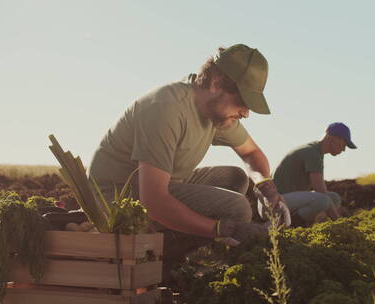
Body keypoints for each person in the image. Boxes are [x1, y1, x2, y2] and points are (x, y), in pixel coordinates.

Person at [87, 44, 289, 272]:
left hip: (158, 184)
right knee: (237, 208)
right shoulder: (167, 109)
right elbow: (153, 200)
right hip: (116, 198)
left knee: (236, 178)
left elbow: (252, 153)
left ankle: (185, 249)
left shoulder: (215, 111)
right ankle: (165, 263)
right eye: (243, 101)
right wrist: (222, 228)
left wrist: (266, 187)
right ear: (216, 83)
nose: (246, 112)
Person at [272, 122, 357, 227]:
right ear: (333, 139)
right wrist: (339, 222)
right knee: (323, 200)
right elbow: (320, 191)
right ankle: (290, 223)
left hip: (287, 200)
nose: (344, 149)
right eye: (344, 144)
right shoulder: (312, 153)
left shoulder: (316, 151)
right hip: (274, 203)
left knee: (334, 198)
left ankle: (300, 222)